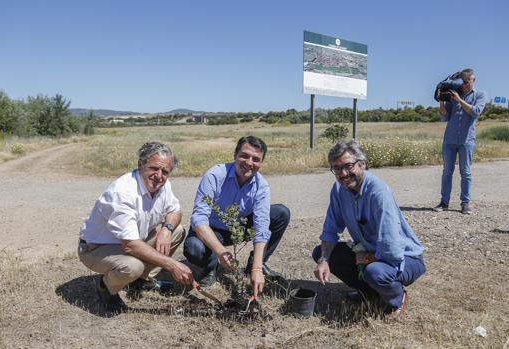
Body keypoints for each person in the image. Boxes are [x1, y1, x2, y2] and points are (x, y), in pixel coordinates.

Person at [312, 140, 426, 321]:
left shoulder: (378, 192)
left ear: (362, 164)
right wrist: (324, 259)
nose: (343, 174)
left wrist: (367, 258)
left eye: (348, 166)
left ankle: (397, 299)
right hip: (371, 251)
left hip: (405, 257)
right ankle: (369, 292)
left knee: (375, 273)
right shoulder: (339, 189)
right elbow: (330, 229)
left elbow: (391, 246)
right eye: (336, 169)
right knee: (321, 252)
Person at [78, 142, 197, 313]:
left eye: (165, 171)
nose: (159, 176)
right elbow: (130, 245)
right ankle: (106, 288)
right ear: (140, 165)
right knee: (133, 266)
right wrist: (172, 265)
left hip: (131, 240)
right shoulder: (123, 192)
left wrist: (167, 229)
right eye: (154, 168)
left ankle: (141, 281)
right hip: (96, 247)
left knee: (177, 232)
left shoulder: (163, 185)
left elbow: (175, 211)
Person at [183, 136, 290, 297]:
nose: (249, 162)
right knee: (193, 248)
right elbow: (199, 219)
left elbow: (261, 227)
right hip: (212, 230)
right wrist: (221, 252)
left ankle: (254, 263)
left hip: (239, 227)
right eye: (244, 155)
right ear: (235, 155)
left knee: (281, 213)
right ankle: (210, 267)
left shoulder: (262, 186)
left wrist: (257, 268)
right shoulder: (215, 175)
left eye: (256, 159)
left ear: (261, 162)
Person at [434, 68, 487, 214]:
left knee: (466, 172)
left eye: (466, 81)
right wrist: (442, 101)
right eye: (462, 81)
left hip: (467, 140)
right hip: (449, 139)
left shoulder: (480, 95)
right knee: (447, 172)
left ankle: (465, 203)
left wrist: (459, 100)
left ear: (473, 81)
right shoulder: (453, 94)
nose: (463, 84)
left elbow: (475, 112)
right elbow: (444, 117)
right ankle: (444, 202)